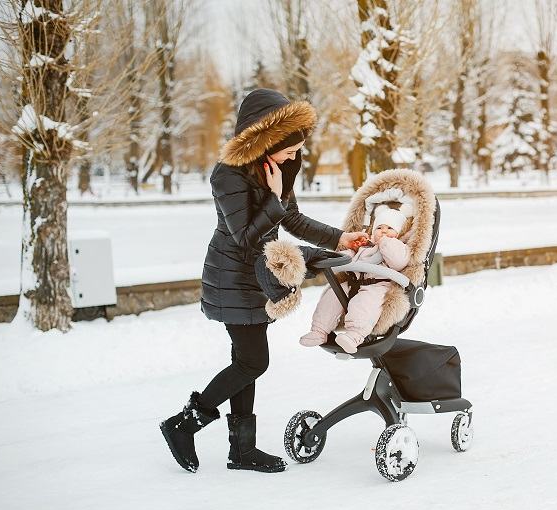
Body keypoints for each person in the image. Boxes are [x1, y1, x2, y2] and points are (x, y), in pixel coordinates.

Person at [159, 89, 367, 474]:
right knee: (254, 362)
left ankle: (242, 451)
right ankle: (182, 425)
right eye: (288, 151)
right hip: (231, 275)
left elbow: (293, 220)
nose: (293, 159)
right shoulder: (227, 175)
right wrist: (272, 198)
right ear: (267, 141)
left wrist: (340, 238)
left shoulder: (279, 168)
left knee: (246, 362)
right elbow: (247, 239)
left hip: (257, 277)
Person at [299, 204, 411, 354]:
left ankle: (354, 335)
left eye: (390, 228)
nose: (383, 231)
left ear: (399, 232)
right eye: (379, 228)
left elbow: (399, 262)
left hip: (378, 286)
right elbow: (349, 259)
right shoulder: (365, 247)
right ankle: (319, 330)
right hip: (353, 282)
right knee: (332, 296)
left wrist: (386, 242)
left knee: (364, 304)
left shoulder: (398, 246)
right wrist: (347, 252)